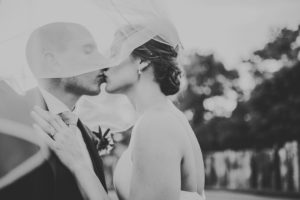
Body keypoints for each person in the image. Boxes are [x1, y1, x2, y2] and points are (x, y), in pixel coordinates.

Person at [32, 22, 206, 200]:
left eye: (114, 53)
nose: (104, 63)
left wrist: (80, 165)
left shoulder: (156, 125)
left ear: (142, 60)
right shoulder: (166, 116)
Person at [25, 22, 109, 200]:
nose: (103, 61)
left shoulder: (83, 130)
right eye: (88, 50)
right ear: (52, 62)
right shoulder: (14, 122)